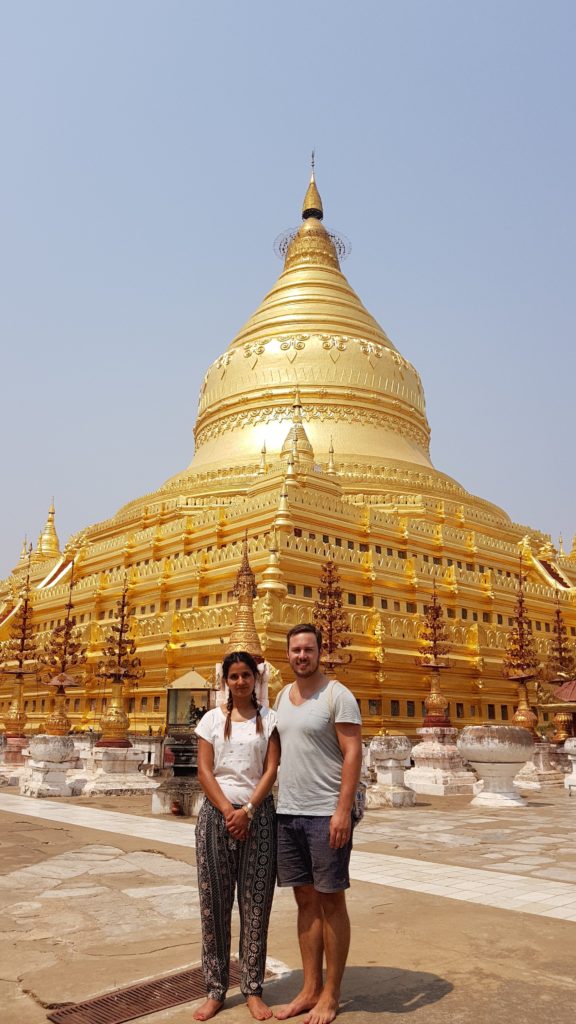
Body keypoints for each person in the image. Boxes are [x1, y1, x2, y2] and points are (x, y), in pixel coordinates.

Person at [273, 624, 362, 1024]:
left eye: (308, 649)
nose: (301, 656)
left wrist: (342, 811)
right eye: (295, 650)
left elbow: (352, 752)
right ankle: (309, 988)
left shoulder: (337, 695)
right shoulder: (281, 697)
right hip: (288, 811)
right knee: (304, 900)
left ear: (319, 653)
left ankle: (331, 993)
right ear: (288, 654)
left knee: (330, 900)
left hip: (327, 813)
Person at [194, 650, 280, 1022]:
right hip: (217, 816)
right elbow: (204, 769)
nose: (241, 682)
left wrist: (248, 811)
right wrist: (229, 811)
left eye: (246, 675)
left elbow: (271, 767)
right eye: (234, 676)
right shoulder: (211, 720)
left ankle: (252, 988)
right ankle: (215, 989)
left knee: (255, 905)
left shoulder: (269, 720)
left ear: (255, 679)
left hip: (257, 817)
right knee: (214, 905)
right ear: (225, 681)